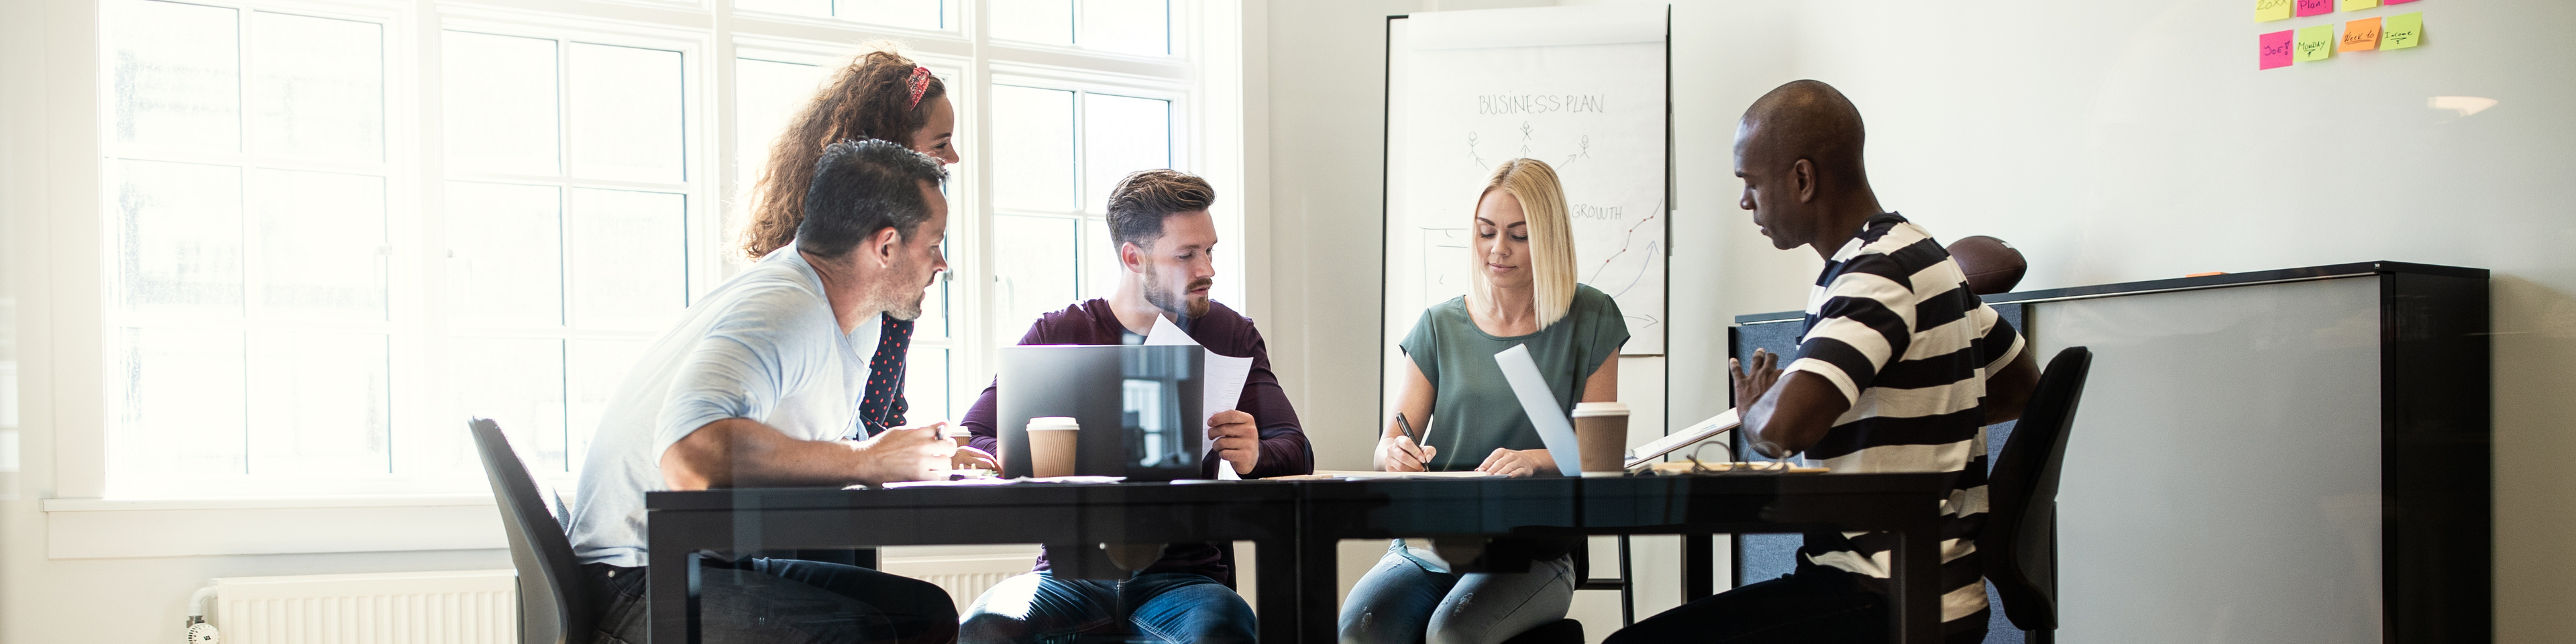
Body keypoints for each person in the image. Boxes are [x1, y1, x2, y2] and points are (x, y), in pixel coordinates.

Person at [1603, 80, 2041, 644]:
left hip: (1882, 599)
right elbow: (2020, 385)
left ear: (1802, 179)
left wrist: (1757, 411)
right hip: (1923, 589)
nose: (1745, 202)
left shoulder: (1870, 278)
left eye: (1751, 183)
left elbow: (1782, 432)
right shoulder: (1925, 257)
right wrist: (1916, 426)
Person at [567, 140, 994, 644]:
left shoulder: (854, 319)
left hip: (706, 565)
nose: (941, 263)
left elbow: (824, 443)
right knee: (858, 635)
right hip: (638, 581)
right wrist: (866, 460)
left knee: (925, 614)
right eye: (934, 243)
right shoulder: (782, 309)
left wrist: (917, 458)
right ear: (885, 247)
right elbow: (690, 459)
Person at [955, 170, 1309, 644]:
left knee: (1222, 633)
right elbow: (972, 436)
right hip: (1065, 577)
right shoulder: (1059, 333)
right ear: (1133, 257)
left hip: (1185, 581)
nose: (1207, 269)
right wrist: (1020, 451)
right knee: (985, 630)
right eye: (1187, 255)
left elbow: (1296, 448)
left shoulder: (1229, 333)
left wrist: (1255, 455)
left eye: (1210, 251)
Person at [1340, 158, 1628, 644]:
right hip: (1434, 543)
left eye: (1518, 235)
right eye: (1486, 232)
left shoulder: (1593, 317)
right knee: (1361, 630)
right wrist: (1394, 453)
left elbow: (1599, 454)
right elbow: (1388, 442)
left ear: (1550, 237)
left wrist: (1533, 461)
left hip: (1534, 549)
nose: (1498, 249)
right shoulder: (1438, 326)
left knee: (1456, 634)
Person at [741, 48, 961, 438]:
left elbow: (874, 420)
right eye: (940, 144)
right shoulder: (820, 295)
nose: (954, 157)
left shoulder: (875, 288)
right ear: (890, 153)